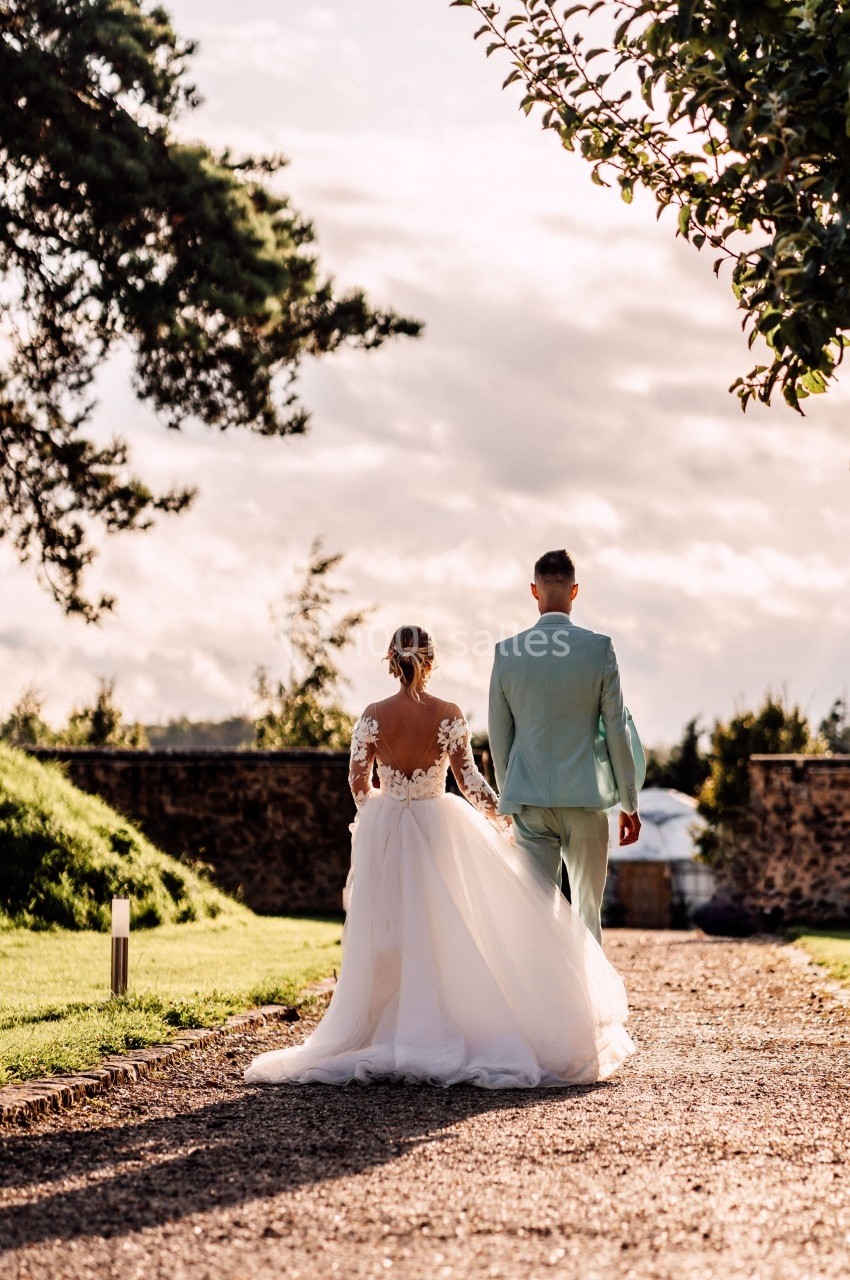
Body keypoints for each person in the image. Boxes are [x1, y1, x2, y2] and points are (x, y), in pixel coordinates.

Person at [245, 623, 634, 1090]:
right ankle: (441, 1024)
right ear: (430, 660)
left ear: (391, 658)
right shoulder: (448, 714)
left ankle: (388, 1027)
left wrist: (376, 813)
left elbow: (355, 780)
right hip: (438, 826)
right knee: (446, 928)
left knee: (390, 933)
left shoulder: (372, 714)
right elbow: (470, 783)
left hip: (389, 829)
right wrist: (502, 818)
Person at [489, 549, 641, 945]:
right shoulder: (599, 649)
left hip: (531, 801)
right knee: (588, 913)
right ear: (575, 591)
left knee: (535, 914)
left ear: (533, 591)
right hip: (588, 800)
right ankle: (588, 1003)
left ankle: (540, 1003)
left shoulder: (507, 653)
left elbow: (500, 736)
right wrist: (629, 803)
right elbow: (617, 730)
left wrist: (512, 798)